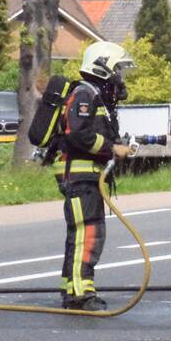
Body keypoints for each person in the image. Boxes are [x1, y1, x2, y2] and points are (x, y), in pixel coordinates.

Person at [55, 42, 134, 310]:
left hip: (89, 179)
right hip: (80, 179)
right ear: (102, 67)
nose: (119, 77)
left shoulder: (95, 97)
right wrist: (112, 147)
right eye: (117, 69)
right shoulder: (84, 95)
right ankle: (80, 294)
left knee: (83, 234)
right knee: (86, 234)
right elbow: (78, 134)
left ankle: (73, 289)